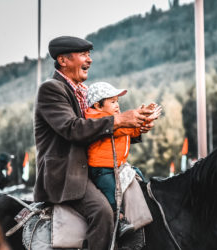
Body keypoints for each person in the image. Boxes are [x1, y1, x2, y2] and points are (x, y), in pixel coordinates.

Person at [33, 36, 154, 250]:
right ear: (63, 60)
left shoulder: (84, 92)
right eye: (83, 55)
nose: (89, 60)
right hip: (66, 176)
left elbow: (97, 132)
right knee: (102, 212)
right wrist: (120, 119)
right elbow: (72, 129)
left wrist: (135, 128)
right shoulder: (51, 89)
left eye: (89, 54)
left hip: (92, 171)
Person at [85, 81, 160, 236]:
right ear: (98, 106)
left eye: (117, 101)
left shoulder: (115, 119)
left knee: (137, 176)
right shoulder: (99, 119)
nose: (117, 105)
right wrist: (140, 118)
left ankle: (142, 204)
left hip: (116, 166)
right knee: (112, 194)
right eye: (112, 102)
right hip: (102, 169)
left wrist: (144, 122)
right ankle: (117, 219)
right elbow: (123, 129)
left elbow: (131, 131)